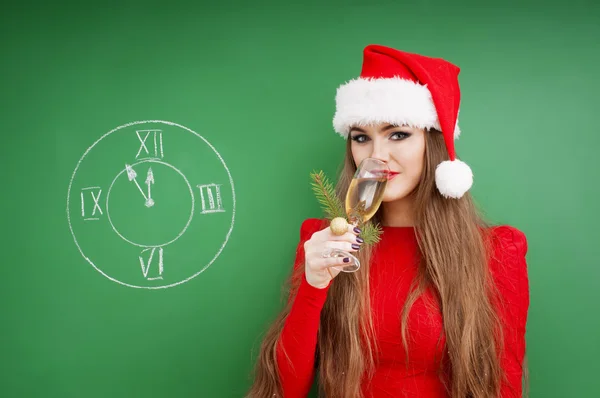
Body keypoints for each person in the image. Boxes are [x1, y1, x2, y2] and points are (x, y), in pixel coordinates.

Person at [246, 44, 529, 398]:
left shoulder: (497, 252)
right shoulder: (324, 243)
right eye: (361, 138)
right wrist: (313, 283)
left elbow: (503, 387)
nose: (377, 155)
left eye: (398, 134)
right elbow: (286, 389)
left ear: (433, 143)